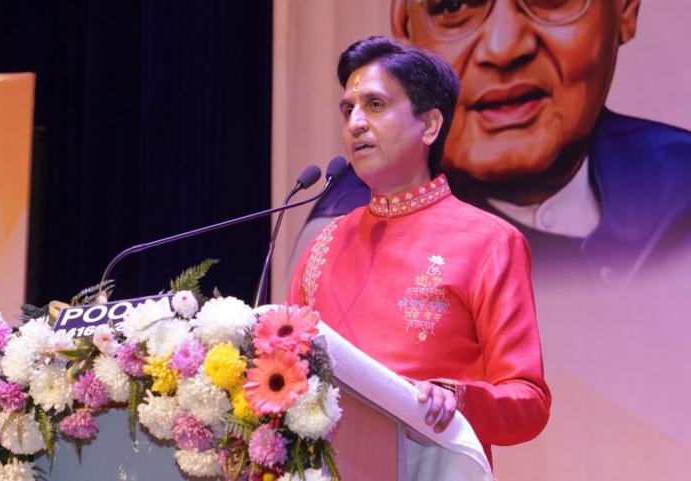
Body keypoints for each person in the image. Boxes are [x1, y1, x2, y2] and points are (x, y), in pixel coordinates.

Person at [287, 36, 550, 468]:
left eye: (374, 105)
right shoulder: (324, 244)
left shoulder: (488, 241)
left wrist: (456, 399)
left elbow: (529, 403)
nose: (355, 123)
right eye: (348, 110)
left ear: (429, 125)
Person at [296, 0, 691, 285]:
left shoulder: (679, 179)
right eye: (455, 6)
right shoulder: (339, 238)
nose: (504, 48)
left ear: (625, 9)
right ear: (406, 28)